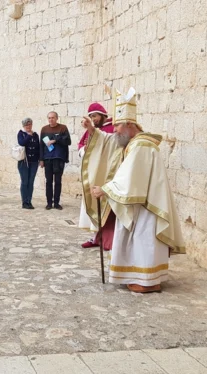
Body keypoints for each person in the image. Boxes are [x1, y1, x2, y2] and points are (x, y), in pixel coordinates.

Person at [83, 87, 184, 293]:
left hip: (145, 205)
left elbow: (130, 178)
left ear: (129, 124)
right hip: (144, 201)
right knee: (142, 239)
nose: (116, 130)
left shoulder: (141, 146)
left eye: (118, 126)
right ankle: (147, 278)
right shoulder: (135, 143)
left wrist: (105, 189)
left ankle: (147, 281)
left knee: (143, 238)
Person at [77, 103, 115, 249]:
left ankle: (107, 239)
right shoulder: (92, 130)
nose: (94, 119)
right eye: (91, 116)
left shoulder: (112, 128)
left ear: (102, 115)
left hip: (106, 173)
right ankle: (95, 237)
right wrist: (84, 150)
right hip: (93, 173)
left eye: (95, 116)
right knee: (92, 204)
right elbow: (81, 144)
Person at [39, 111, 71, 210]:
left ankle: (56, 203)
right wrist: (41, 159)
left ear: (57, 118)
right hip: (48, 159)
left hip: (59, 159)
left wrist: (56, 140)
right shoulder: (44, 129)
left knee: (58, 181)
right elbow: (41, 145)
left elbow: (68, 141)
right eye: (49, 118)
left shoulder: (63, 128)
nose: (51, 119)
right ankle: (49, 203)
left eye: (53, 117)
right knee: (48, 181)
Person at [17, 118, 40, 209]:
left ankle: (29, 201)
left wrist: (40, 159)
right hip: (24, 162)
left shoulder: (36, 135)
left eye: (30, 124)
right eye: (26, 125)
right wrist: (28, 136)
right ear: (23, 126)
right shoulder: (21, 134)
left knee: (31, 182)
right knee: (24, 181)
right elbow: (21, 143)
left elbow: (38, 148)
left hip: (33, 162)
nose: (28, 126)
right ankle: (24, 202)